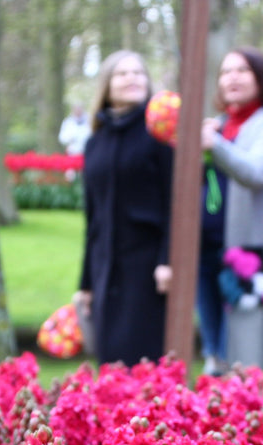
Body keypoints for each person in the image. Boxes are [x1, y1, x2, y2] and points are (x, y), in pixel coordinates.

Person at [73, 50, 174, 367]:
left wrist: (167, 261)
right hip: (106, 267)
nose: (132, 78)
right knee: (110, 359)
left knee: (142, 356)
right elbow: (92, 217)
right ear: (107, 86)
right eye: (122, 73)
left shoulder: (159, 135)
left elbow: (176, 203)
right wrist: (86, 283)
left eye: (138, 73)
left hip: (147, 266)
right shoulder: (95, 143)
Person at [199, 46, 263, 373]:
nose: (232, 77)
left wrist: (215, 145)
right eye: (225, 71)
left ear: (261, 80)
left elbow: (257, 172)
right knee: (214, 351)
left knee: (244, 351)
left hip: (245, 254)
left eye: (242, 70)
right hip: (206, 249)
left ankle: (246, 415)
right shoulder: (217, 125)